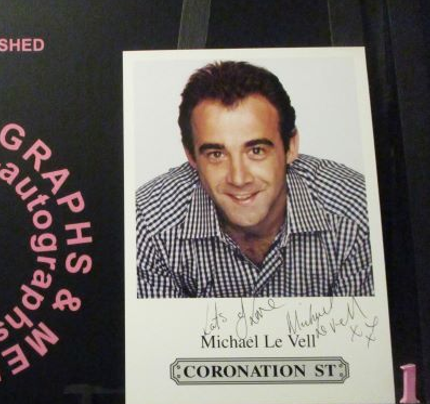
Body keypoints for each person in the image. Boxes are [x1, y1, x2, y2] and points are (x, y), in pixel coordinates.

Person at [136, 61, 374, 298]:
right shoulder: (148, 224)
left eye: (256, 151)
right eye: (216, 154)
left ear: (291, 146)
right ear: (191, 156)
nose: (239, 178)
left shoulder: (358, 214)